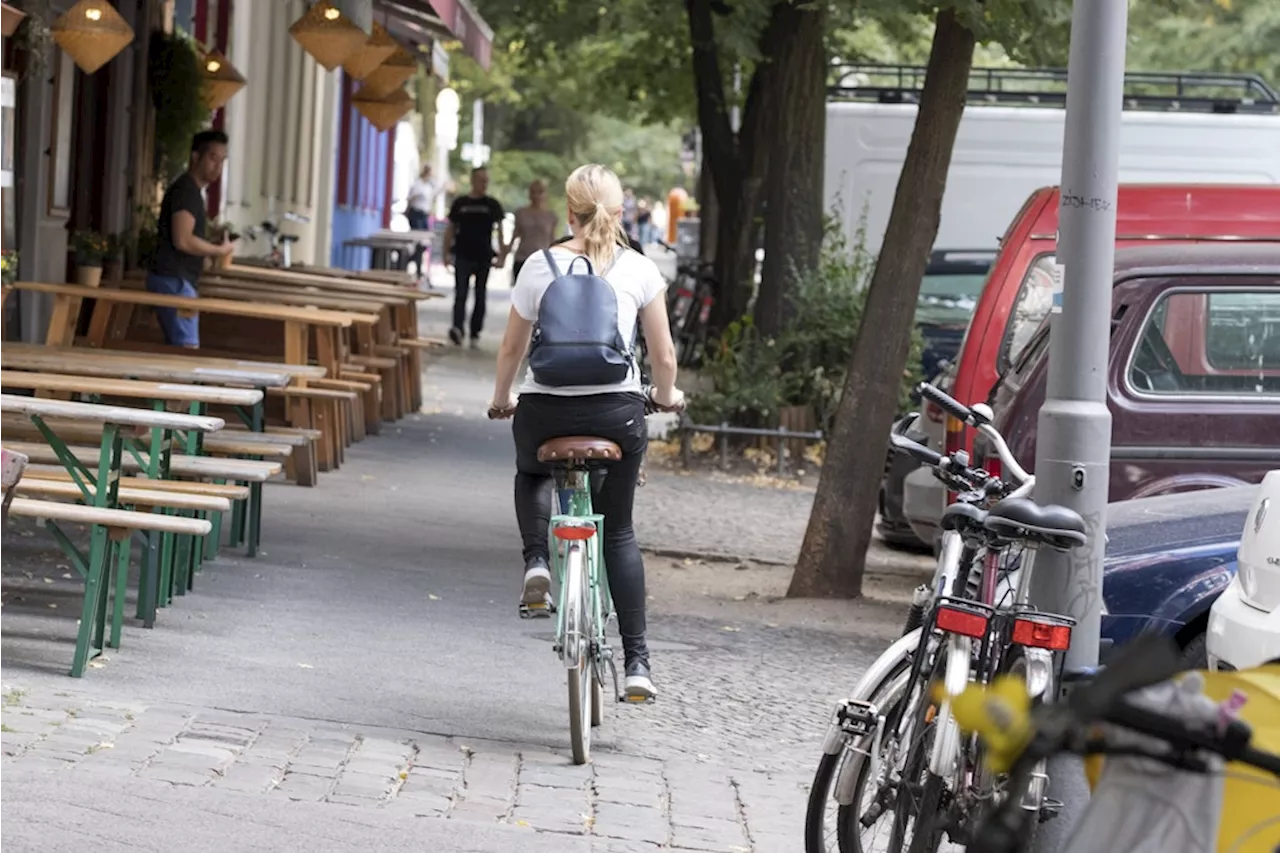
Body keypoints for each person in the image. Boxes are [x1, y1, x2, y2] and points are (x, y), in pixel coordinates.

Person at [489, 164, 683, 701]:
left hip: (545, 409)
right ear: (620, 214)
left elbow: (510, 350)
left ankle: (536, 563)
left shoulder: (538, 265)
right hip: (616, 413)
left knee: (532, 473)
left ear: (568, 212)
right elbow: (662, 356)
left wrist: (503, 397)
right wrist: (665, 397)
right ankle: (638, 663)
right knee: (617, 530)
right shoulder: (639, 269)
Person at [147, 129, 235, 349]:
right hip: (175, 281)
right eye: (213, 158)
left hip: (175, 280)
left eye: (222, 161)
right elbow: (183, 240)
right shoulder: (186, 191)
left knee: (178, 351)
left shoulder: (191, 191)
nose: (218, 167)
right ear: (196, 156)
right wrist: (218, 251)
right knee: (187, 352)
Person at [442, 167, 504, 348]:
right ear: (472, 181)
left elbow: (500, 232)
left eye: (486, 180)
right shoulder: (460, 203)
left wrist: (502, 254)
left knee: (480, 294)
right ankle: (457, 328)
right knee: (460, 293)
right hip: (462, 253)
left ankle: (475, 331)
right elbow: (450, 229)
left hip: (483, 255)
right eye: (480, 180)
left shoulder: (492, 205)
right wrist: (445, 252)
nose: (483, 184)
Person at [505, 180, 558, 283]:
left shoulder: (551, 216)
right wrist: (503, 257)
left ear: (545, 194)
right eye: (533, 192)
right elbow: (515, 235)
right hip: (523, 259)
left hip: (543, 261)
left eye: (540, 192)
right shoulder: (521, 213)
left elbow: (552, 239)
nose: (536, 195)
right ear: (529, 194)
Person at [405, 164, 442, 284]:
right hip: (417, 214)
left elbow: (432, 197)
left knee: (423, 243)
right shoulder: (418, 184)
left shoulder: (428, 186)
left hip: (424, 214)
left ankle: (416, 264)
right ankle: (409, 262)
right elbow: (412, 199)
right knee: (418, 240)